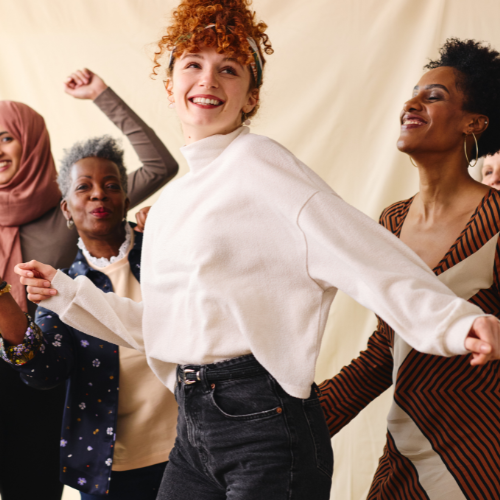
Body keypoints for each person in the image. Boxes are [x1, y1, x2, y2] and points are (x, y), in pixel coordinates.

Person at [14, 5, 500, 500]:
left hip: (264, 426)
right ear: (170, 84)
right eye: (193, 64)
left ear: (251, 97)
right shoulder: (176, 201)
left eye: (229, 68)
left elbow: (365, 251)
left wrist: (454, 321)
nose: (209, 79)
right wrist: (66, 293)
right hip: (194, 426)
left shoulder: (260, 164)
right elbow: (164, 328)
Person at [318, 38, 500, 499]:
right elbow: (386, 349)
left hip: (484, 453)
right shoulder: (391, 223)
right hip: (408, 444)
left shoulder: (498, 218)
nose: (411, 103)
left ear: (473, 123)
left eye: (433, 96)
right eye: (413, 93)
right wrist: (302, 420)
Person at [0, 69, 178, 500]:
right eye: (85, 189)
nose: (97, 195)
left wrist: (102, 94)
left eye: (6, 136)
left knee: (30, 479)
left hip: (52, 357)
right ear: (70, 205)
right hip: (39, 353)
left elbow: (160, 165)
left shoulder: (74, 217)